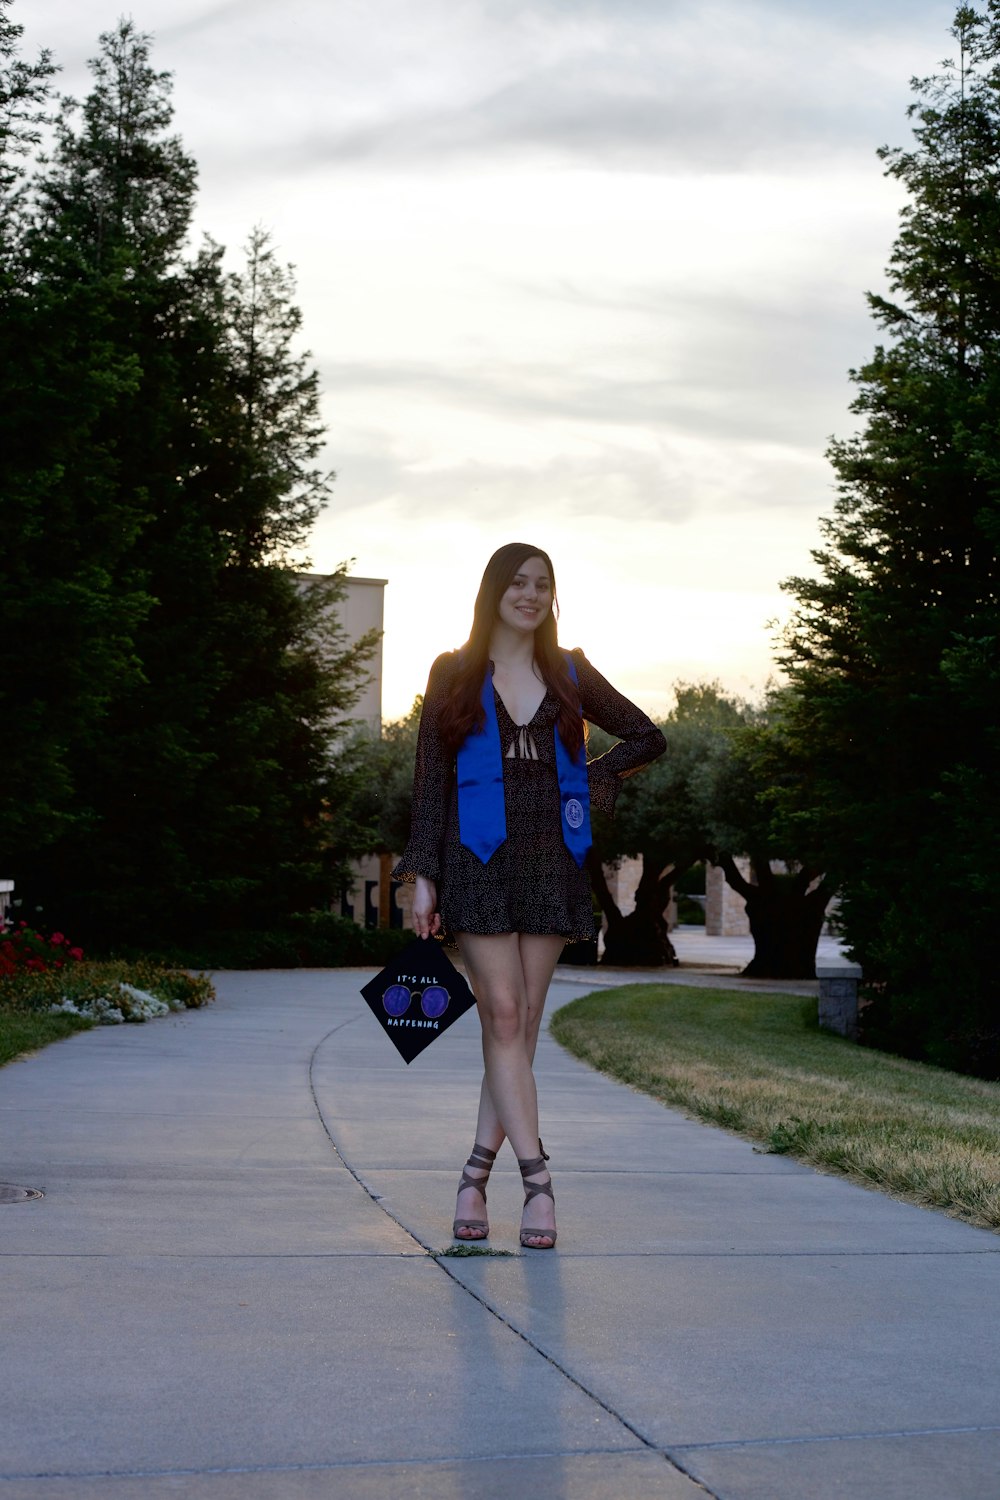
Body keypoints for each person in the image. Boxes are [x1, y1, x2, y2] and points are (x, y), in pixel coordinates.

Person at [392, 543, 666, 1249]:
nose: (531, 594)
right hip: (475, 857)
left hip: (551, 855)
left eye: (542, 584)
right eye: (518, 582)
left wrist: (596, 779)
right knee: (505, 1014)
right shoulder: (452, 672)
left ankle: (474, 1173)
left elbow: (646, 735)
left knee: (519, 1021)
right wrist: (421, 873)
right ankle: (538, 1181)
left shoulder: (569, 670)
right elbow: (430, 782)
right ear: (493, 591)